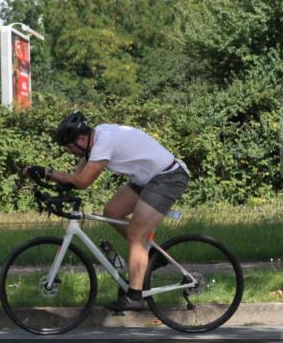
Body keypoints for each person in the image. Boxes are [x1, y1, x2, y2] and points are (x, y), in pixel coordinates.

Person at [23, 111, 190, 311]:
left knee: (137, 235)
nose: (70, 152)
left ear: (82, 139)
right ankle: (151, 256)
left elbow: (82, 182)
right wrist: (53, 185)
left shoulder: (103, 143)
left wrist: (47, 173)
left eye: (69, 147)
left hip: (167, 178)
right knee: (112, 211)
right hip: (146, 179)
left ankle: (135, 297)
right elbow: (75, 178)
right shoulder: (95, 140)